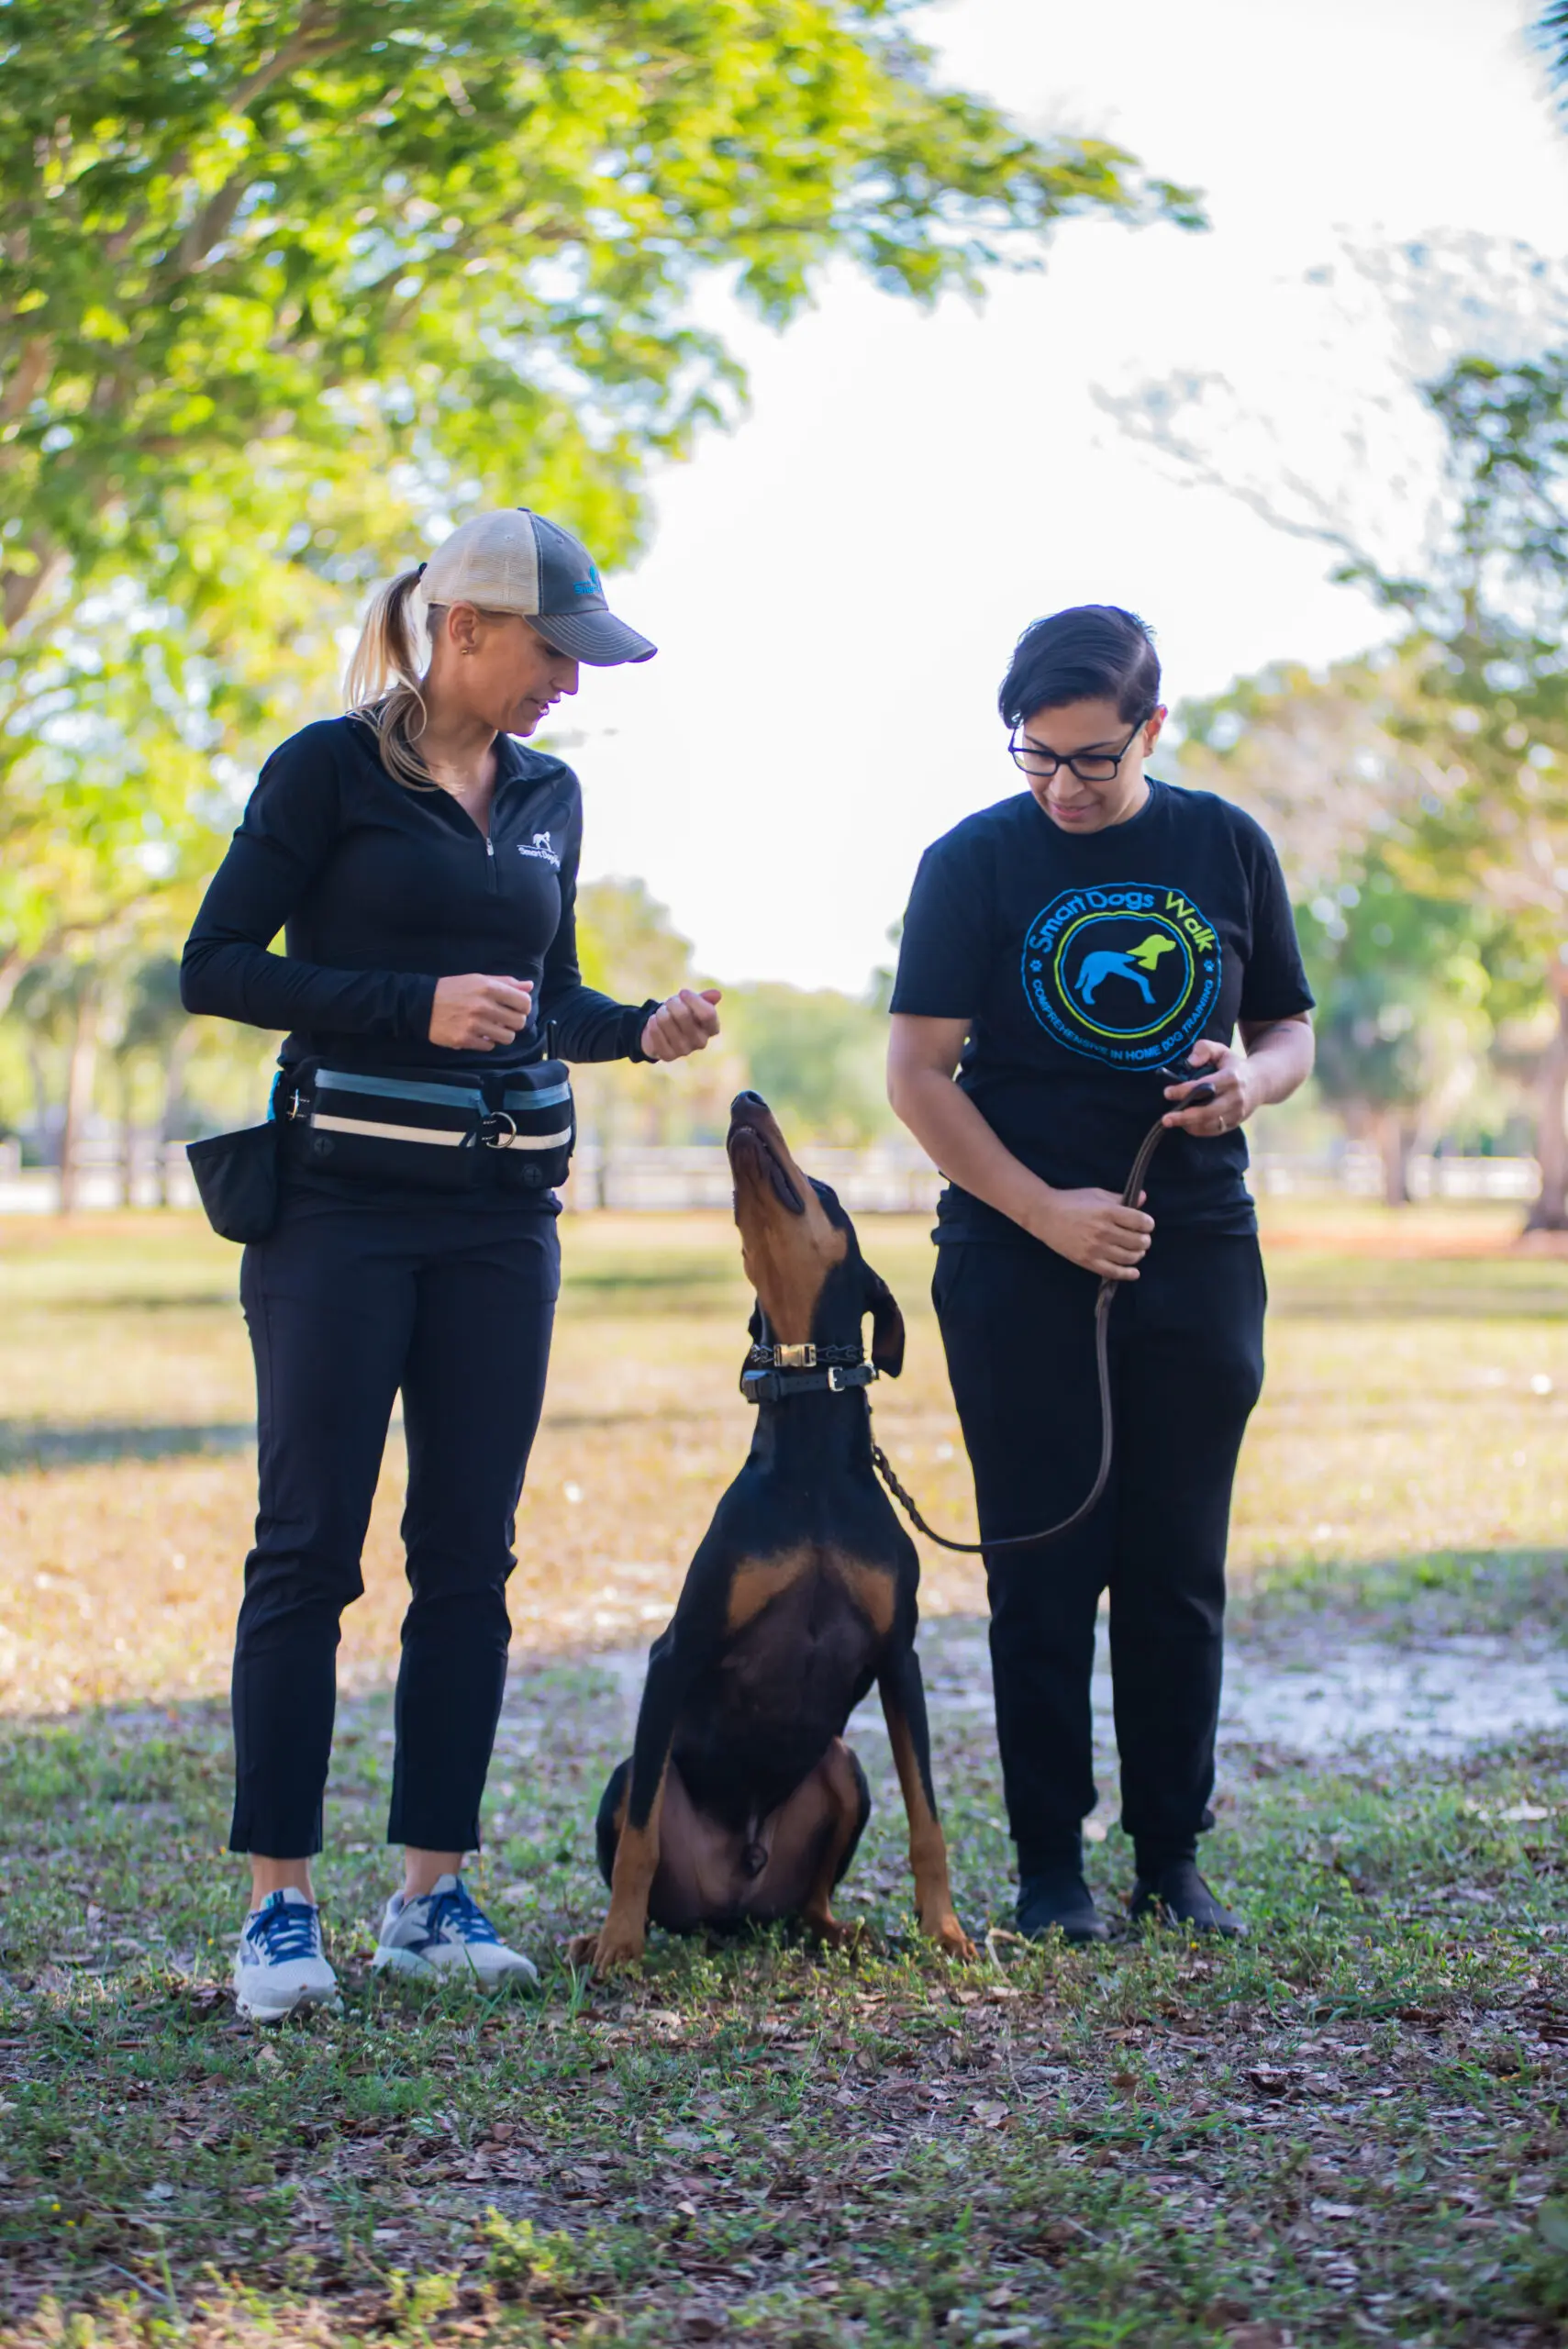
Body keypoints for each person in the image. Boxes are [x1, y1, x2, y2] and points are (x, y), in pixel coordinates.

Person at [181, 507, 721, 2021]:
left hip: (501, 1225)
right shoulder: (328, 770)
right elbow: (216, 967)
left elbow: (544, 997)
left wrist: (639, 1030)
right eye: (554, 651)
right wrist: (407, 1007)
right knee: (308, 1551)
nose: (570, 682)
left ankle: (431, 1893)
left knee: (470, 1559)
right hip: (338, 1215)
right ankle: (279, 1909)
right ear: (465, 629)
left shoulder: (551, 794)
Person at [885, 605, 1313, 1943]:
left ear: (1152, 729)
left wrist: (1251, 1084)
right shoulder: (972, 860)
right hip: (1016, 1261)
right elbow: (917, 1075)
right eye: (1036, 755)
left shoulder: (1225, 844)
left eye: (1091, 758)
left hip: (1200, 1249)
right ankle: (1048, 1872)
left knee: (1179, 1565)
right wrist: (1042, 1212)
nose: (1062, 786)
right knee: (1043, 1566)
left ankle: (1170, 1860)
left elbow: (1288, 1029)